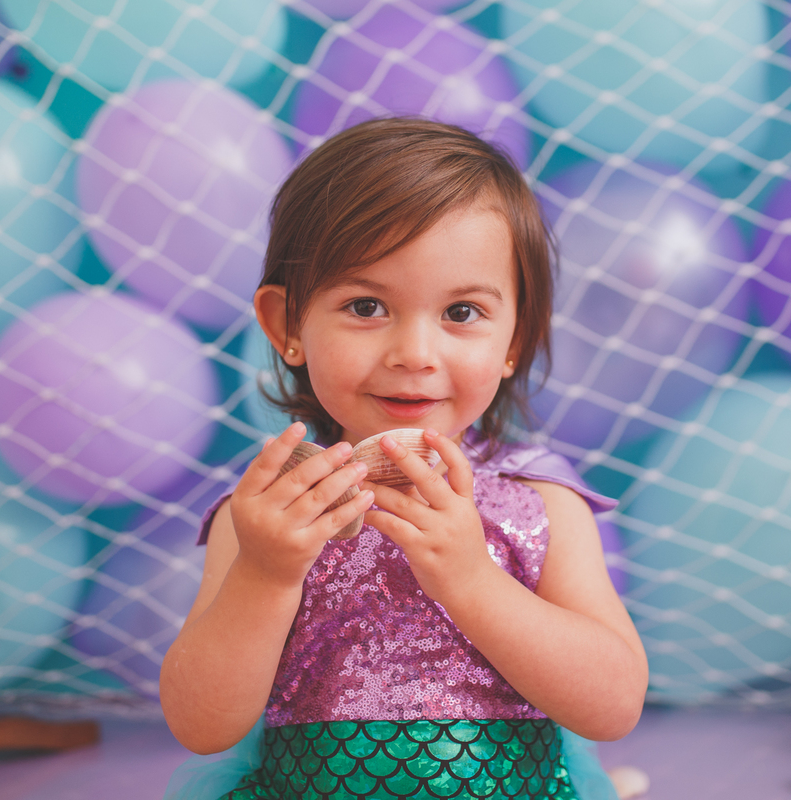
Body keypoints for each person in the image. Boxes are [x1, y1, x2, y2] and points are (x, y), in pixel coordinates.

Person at [161, 118, 648, 800]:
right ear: (287, 325)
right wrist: (265, 576)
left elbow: (614, 705)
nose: (414, 354)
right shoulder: (268, 514)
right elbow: (201, 725)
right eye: (367, 306)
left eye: (461, 313)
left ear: (515, 339)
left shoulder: (541, 501)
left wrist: (472, 581)